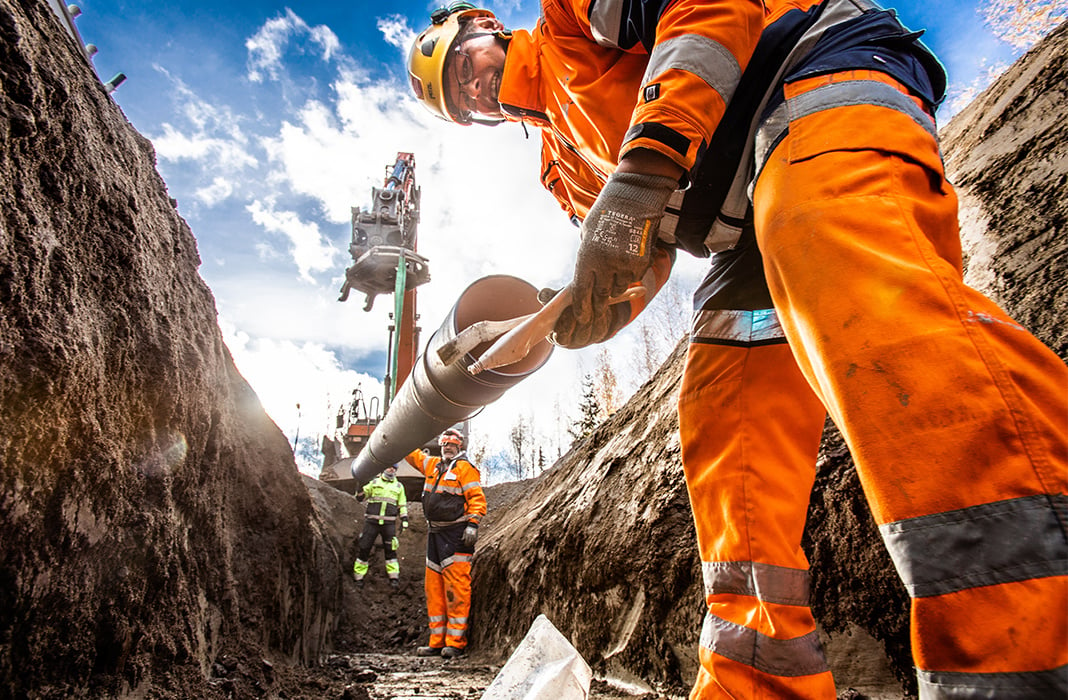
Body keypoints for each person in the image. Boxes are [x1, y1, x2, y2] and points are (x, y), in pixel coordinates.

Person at [408, 1, 1068, 697]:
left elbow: (708, 8)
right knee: (726, 426)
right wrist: (597, 309)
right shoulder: (559, 165)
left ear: (483, 26)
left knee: (853, 285)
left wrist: (646, 162)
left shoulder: (567, 21)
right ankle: (753, 682)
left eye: (463, 64)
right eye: (462, 99)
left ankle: (1022, 654)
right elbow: (642, 249)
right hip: (745, 218)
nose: (475, 88)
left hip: (814, 75)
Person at [404, 428, 486, 659]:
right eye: (444, 444)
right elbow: (413, 456)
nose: (447, 447)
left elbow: (477, 499)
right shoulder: (434, 466)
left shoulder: (465, 470)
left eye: (452, 444)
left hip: (456, 535)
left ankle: (455, 642)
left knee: (456, 588)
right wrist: (405, 433)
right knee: (434, 589)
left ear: (459, 447)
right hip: (435, 535)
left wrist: (473, 524)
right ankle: (436, 641)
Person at [353, 465, 409, 589]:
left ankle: (394, 578)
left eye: (394, 468)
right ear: (384, 468)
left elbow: (402, 504)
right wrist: (360, 486)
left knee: (391, 550)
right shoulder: (374, 482)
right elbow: (360, 497)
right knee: (364, 548)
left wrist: (404, 519)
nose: (391, 470)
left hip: (389, 524)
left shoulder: (399, 487)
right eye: (389, 467)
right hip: (371, 523)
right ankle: (358, 578)